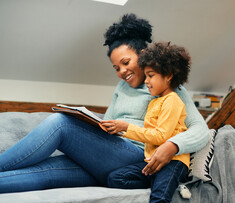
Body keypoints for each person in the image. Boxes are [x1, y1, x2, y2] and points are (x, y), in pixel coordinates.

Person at [0, 13, 209, 193]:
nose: (122, 72)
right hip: (108, 158)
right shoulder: (121, 89)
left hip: (137, 156)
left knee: (60, 123)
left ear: (143, 55)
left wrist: (173, 145)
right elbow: (108, 122)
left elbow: (201, 129)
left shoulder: (167, 87)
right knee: (45, 172)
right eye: (116, 68)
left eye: (126, 63)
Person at [104, 41, 191, 203]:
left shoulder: (172, 100)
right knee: (115, 178)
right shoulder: (154, 101)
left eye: (150, 76)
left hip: (172, 163)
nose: (146, 81)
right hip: (152, 161)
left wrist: (126, 127)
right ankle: (158, 183)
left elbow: (161, 136)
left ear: (168, 76)